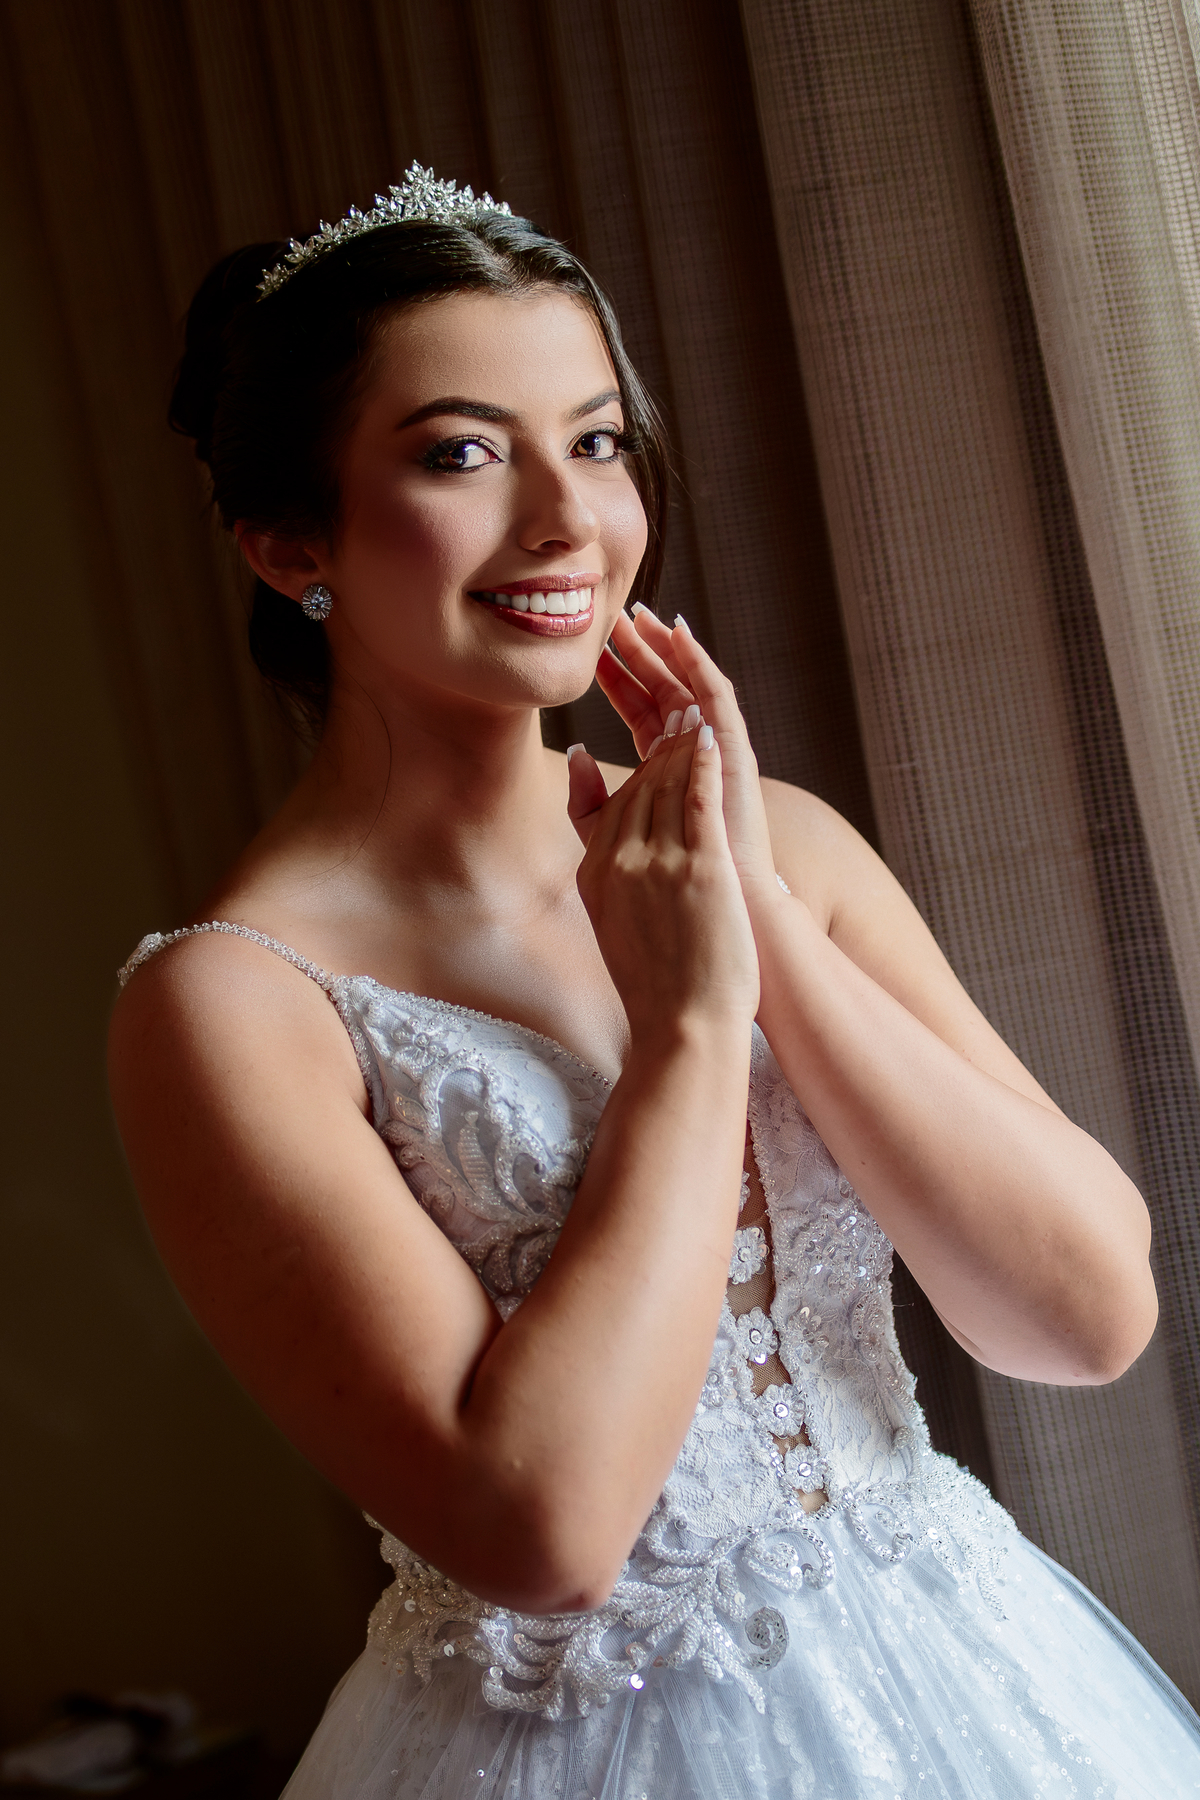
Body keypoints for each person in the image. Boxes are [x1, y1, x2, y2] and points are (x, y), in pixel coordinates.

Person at [108, 167, 1200, 1799]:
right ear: (288, 545)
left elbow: (1085, 1316)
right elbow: (543, 1531)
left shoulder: (784, 848)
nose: (567, 519)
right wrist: (693, 1026)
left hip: (967, 1676)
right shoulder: (230, 1008)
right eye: (462, 453)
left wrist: (759, 921)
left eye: (600, 441)